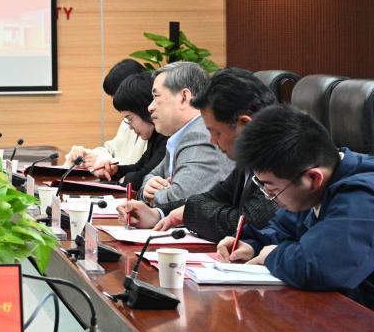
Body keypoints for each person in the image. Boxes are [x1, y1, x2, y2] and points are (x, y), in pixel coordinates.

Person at [220, 105, 374, 332]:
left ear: (312, 178)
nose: (270, 197)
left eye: (272, 189)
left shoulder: (367, 196)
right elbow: (285, 228)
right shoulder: (320, 184)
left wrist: (272, 255)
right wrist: (252, 244)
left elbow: (318, 268)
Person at [154, 67, 276, 240]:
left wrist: (190, 211)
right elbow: (213, 197)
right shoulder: (249, 159)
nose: (212, 140)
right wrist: (157, 213)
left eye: (216, 132)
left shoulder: (280, 161)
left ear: (244, 124)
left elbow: (243, 224)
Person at [119, 60, 232, 225]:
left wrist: (152, 196)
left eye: (156, 97)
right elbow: (150, 176)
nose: (150, 107)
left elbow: (180, 199)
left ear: (184, 98)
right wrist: (148, 187)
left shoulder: (201, 135)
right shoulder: (182, 135)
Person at [64, 57, 149, 175]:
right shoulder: (127, 122)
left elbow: (138, 167)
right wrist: (87, 155)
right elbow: (110, 149)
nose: (116, 102)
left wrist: (104, 162)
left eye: (117, 95)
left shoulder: (152, 124)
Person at [102, 67, 167, 188]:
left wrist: (126, 179)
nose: (130, 127)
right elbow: (139, 166)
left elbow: (145, 176)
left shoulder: (167, 136)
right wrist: (116, 171)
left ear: (145, 109)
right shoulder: (155, 135)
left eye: (130, 119)